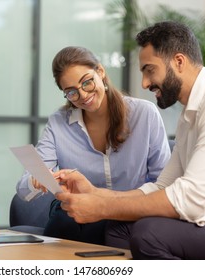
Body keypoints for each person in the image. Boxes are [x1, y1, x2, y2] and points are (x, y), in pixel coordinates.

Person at [55, 21, 205, 259]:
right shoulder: (190, 113)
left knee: (150, 233)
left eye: (149, 70)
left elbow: (190, 200)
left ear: (179, 62)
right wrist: (96, 194)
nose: (144, 83)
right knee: (119, 228)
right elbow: (163, 186)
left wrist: (101, 207)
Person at [15, 46, 171, 245]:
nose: (83, 96)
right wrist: (38, 179)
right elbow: (23, 188)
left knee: (107, 227)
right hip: (76, 217)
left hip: (129, 212)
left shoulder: (144, 114)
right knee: (68, 219)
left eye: (86, 82)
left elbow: (165, 184)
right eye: (71, 92)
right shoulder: (58, 123)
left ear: (100, 72)